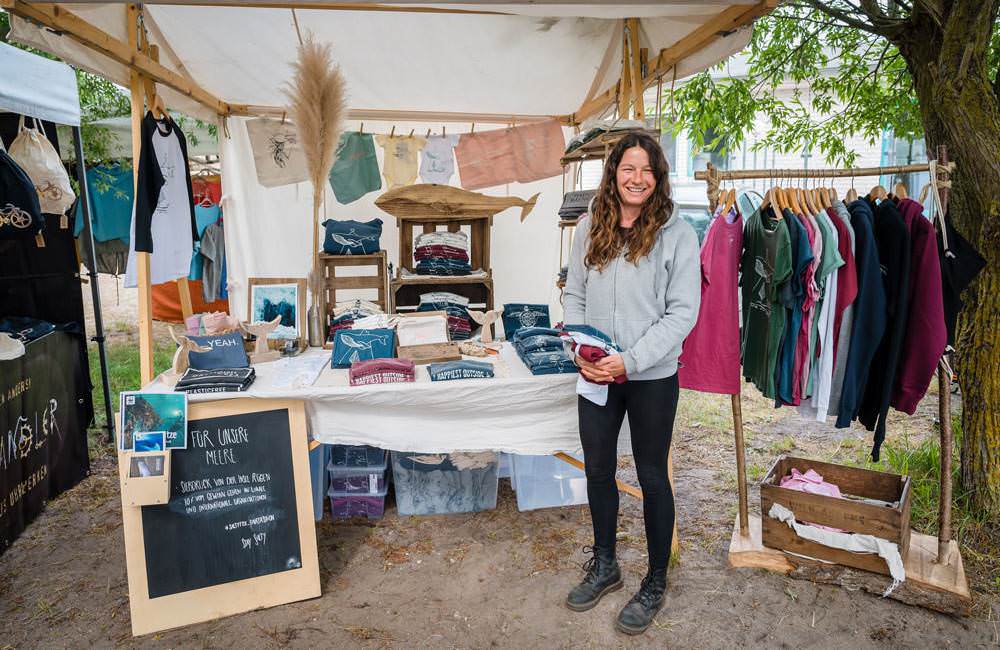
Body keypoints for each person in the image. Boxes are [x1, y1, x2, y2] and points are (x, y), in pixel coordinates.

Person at [562, 132, 701, 635]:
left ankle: (656, 581)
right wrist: (580, 351)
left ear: (658, 178)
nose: (637, 178)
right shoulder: (588, 228)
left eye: (647, 171)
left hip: (651, 376)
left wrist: (630, 360)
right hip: (597, 374)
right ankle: (606, 565)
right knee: (598, 470)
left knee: (652, 477)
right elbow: (573, 295)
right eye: (628, 169)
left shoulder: (677, 235)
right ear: (613, 172)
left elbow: (683, 313)